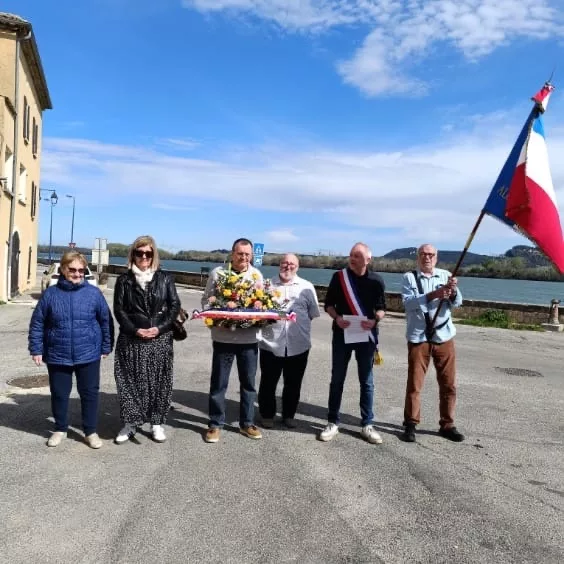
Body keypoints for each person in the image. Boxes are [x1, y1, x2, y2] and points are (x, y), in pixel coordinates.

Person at [28, 251, 114, 448]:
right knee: (59, 394)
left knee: (90, 394)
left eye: (81, 270)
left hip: (88, 353)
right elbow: (37, 323)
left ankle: (90, 431)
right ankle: (60, 429)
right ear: (63, 269)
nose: (77, 274)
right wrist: (36, 348)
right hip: (58, 354)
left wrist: (106, 345)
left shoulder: (93, 294)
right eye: (72, 269)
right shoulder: (50, 294)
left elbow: (105, 321)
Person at [113, 235, 180, 444]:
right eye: (139, 253)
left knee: (159, 382)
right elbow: (119, 310)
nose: (144, 257)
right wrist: (135, 330)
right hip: (131, 339)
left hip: (159, 339)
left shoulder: (165, 278)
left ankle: (157, 422)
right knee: (128, 382)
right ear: (133, 254)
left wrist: (158, 328)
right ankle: (131, 423)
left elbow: (174, 306)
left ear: (154, 255)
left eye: (148, 253)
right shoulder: (124, 280)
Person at [319, 243, 386, 444]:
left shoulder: (376, 280)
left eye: (357, 255)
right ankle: (332, 422)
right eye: (351, 255)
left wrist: (375, 320)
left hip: (366, 337)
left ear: (368, 259)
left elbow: (382, 308)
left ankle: (367, 424)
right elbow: (328, 305)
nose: (352, 258)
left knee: (366, 381)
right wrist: (337, 318)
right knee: (337, 379)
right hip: (342, 334)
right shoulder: (339, 278)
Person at [401, 244, 465, 443]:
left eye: (430, 255)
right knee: (415, 384)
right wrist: (434, 295)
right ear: (418, 257)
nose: (427, 258)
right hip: (419, 338)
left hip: (444, 337)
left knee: (449, 384)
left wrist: (453, 292)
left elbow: (458, 302)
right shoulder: (409, 278)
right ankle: (410, 424)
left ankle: (447, 424)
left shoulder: (446, 275)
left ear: (436, 258)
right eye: (423, 254)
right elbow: (408, 304)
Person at [202, 238, 263, 443]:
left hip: (248, 338)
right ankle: (215, 423)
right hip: (223, 337)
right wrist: (213, 320)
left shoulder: (256, 275)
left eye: (247, 254)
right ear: (232, 253)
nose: (243, 257)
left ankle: (247, 423)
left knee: (248, 384)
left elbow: (262, 304)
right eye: (240, 253)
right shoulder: (217, 274)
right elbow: (206, 300)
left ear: (251, 255)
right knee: (219, 383)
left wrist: (259, 317)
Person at [258, 254, 320, 428]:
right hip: (270, 344)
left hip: (298, 344)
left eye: (292, 264)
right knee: (268, 382)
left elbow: (313, 313)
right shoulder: (266, 285)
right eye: (285, 263)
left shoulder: (307, 287)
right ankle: (267, 415)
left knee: (293, 383)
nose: (288, 266)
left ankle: (289, 415)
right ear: (279, 265)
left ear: (297, 267)